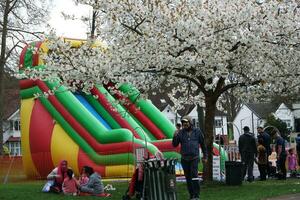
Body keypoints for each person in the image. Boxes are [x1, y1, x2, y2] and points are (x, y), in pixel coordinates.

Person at [172, 116, 207, 200]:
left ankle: (196, 195)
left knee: (194, 176)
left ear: (190, 122)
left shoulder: (197, 131)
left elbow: (203, 144)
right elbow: (175, 144)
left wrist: (205, 156)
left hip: (194, 158)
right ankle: (191, 195)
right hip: (184, 159)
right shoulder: (180, 132)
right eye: (183, 123)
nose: (185, 124)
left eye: (186, 122)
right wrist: (174, 136)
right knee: (188, 178)